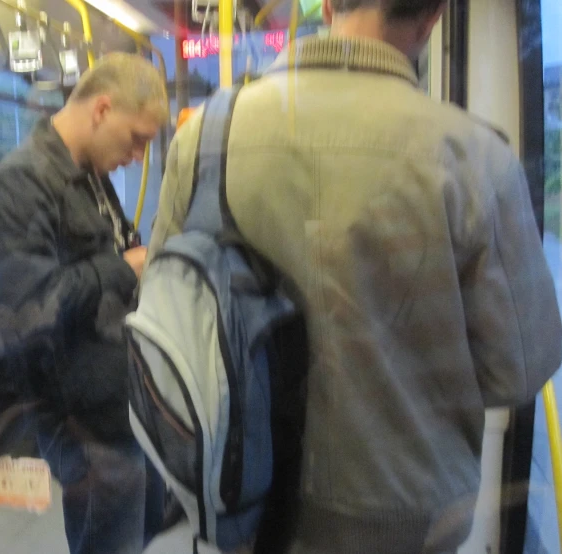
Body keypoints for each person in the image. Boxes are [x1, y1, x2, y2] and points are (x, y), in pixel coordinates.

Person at [147, 1, 562, 552]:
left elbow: (162, 306)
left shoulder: (203, 139)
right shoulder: (475, 156)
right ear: (435, 15)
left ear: (327, 4)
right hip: (407, 514)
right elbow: (515, 370)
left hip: (242, 500)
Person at [0, 52, 167, 554]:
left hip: (117, 399)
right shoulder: (22, 183)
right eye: (136, 140)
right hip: (78, 416)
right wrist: (122, 268)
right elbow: (24, 314)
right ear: (102, 109)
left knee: (137, 530)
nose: (136, 157)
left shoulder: (90, 178)